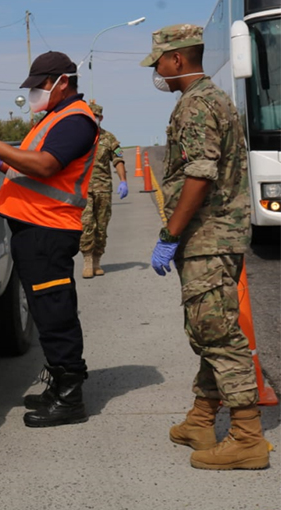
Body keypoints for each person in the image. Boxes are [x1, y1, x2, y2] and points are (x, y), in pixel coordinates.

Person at [141, 24, 269, 470]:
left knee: (217, 333)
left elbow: (199, 174)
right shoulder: (211, 99)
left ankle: (247, 437)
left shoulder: (196, 104)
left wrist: (170, 234)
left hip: (208, 237)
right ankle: (201, 419)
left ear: (177, 58)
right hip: (216, 236)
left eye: (159, 62)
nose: (157, 71)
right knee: (207, 329)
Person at [0, 51, 99, 428]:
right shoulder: (56, 117)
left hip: (49, 230)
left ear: (63, 81)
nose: (35, 92)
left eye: (41, 85)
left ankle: (70, 397)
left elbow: (46, 166)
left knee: (55, 312)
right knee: (46, 312)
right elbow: (35, 166)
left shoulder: (76, 120)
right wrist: (5, 163)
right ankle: (58, 384)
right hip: (36, 229)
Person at [80, 102, 128, 278]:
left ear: (101, 118)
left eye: (96, 116)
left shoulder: (109, 138)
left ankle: (97, 260)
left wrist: (123, 181)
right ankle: (87, 260)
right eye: (90, 115)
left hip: (103, 189)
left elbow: (118, 159)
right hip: (83, 190)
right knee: (86, 225)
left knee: (101, 227)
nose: (93, 119)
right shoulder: (77, 136)